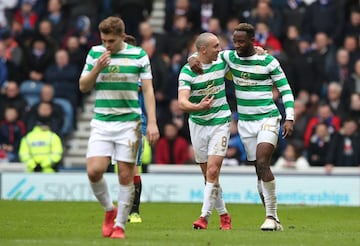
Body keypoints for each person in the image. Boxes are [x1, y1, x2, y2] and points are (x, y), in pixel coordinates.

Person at [189, 23, 295, 231]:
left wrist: (289, 117)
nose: (236, 45)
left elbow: (286, 90)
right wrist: (191, 59)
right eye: (234, 41)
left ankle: (270, 217)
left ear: (252, 41)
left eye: (241, 41)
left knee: (263, 162)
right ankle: (275, 219)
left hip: (268, 118)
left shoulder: (268, 61)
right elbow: (203, 55)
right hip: (245, 123)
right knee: (258, 169)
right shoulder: (230, 58)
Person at [79, 16, 159, 239]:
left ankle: (120, 226)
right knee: (94, 171)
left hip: (129, 124)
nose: (107, 45)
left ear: (122, 37)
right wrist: (97, 69)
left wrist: (151, 122)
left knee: (125, 175)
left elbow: (148, 91)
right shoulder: (96, 54)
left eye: (111, 41)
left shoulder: (138, 55)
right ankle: (109, 210)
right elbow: (83, 86)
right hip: (102, 121)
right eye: (104, 40)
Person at [178, 32, 232, 230]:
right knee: (209, 177)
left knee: (212, 170)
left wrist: (258, 51)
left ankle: (204, 217)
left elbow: (243, 54)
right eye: (216, 46)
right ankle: (224, 215)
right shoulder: (188, 71)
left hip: (220, 122)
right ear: (203, 50)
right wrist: (198, 107)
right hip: (198, 124)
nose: (220, 49)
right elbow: (182, 102)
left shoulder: (223, 60)